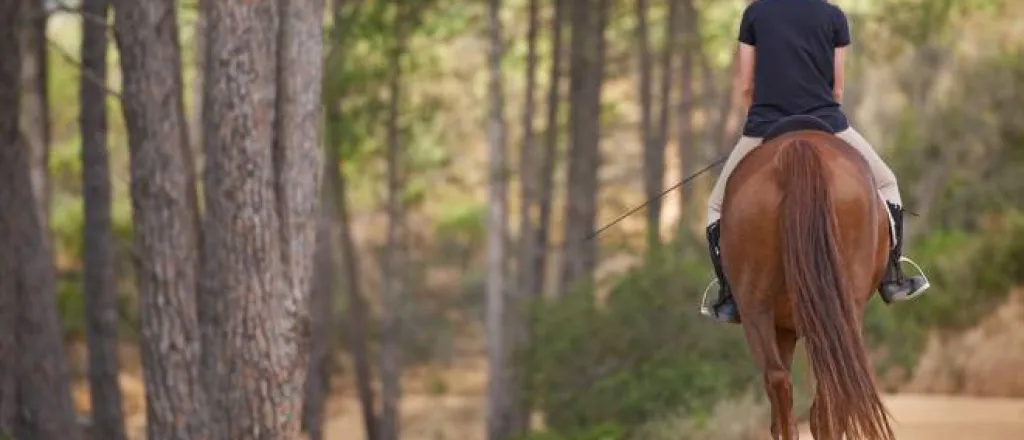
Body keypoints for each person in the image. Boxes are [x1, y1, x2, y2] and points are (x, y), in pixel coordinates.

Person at [700, 0, 930, 324]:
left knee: (716, 206)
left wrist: (760, 122)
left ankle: (728, 294)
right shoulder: (833, 15)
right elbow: (837, 89)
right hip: (826, 120)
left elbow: (747, 85)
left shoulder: (755, 13)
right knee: (887, 182)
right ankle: (892, 277)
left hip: (765, 125)